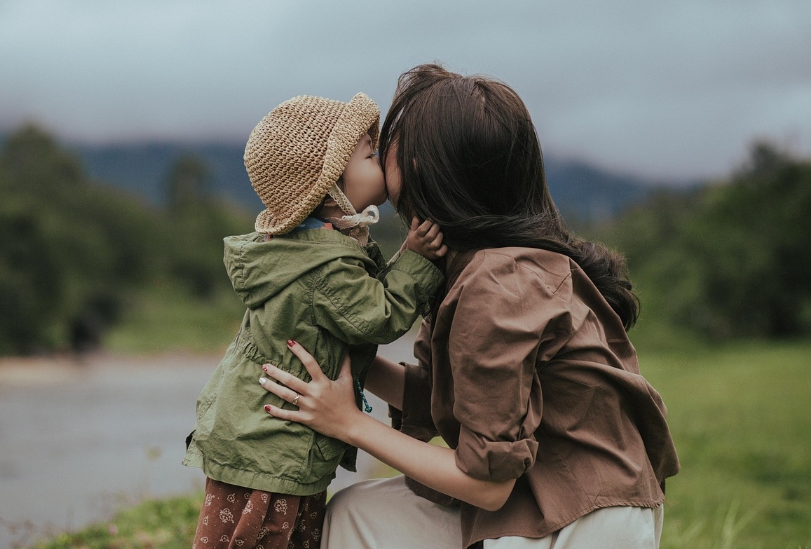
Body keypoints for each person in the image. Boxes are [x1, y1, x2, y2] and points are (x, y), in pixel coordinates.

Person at [258, 64, 681, 549]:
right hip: (549, 494)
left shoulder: (498, 284)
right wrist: (342, 350)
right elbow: (449, 395)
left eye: (385, 147)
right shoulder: (472, 263)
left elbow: (486, 482)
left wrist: (348, 423)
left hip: (582, 519)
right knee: (355, 515)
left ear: (422, 167)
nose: (378, 155)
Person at [182, 92, 447, 549]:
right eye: (369, 154)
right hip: (272, 449)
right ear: (330, 189)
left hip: (267, 440)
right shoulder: (323, 266)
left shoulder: (314, 248)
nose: (380, 159)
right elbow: (378, 316)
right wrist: (418, 260)